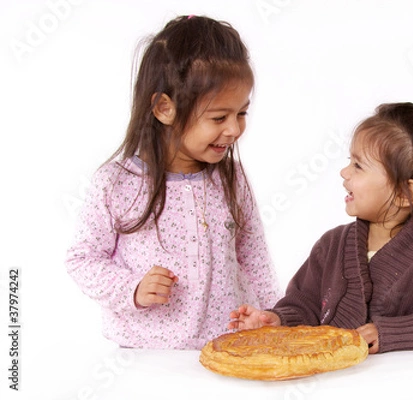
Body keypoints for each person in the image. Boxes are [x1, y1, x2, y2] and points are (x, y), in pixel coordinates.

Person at [65, 15, 281, 349]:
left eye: (242, 113)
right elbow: (82, 259)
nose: (234, 130)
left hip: (227, 346)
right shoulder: (116, 183)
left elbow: (253, 255)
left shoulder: (232, 177)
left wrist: (272, 316)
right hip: (147, 355)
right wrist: (131, 288)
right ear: (165, 108)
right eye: (219, 117)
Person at [229, 102, 413, 354]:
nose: (344, 172)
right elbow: (304, 304)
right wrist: (277, 320)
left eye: (358, 165)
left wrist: (394, 333)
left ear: (404, 192)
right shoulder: (332, 246)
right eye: (348, 161)